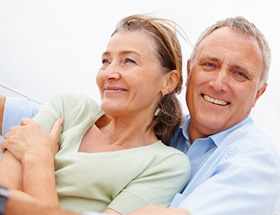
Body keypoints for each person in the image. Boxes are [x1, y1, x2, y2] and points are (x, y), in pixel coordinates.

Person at [1, 15, 280, 215]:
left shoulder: (253, 161)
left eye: (239, 74)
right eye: (210, 64)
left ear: (259, 93)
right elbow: (38, 125)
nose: (219, 82)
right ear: (190, 71)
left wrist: (37, 159)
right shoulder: (175, 132)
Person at [0, 14, 191, 214]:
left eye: (129, 61)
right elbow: (3, 194)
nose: (109, 73)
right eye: (106, 61)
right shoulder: (69, 107)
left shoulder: (166, 165)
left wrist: (39, 159)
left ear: (168, 81)